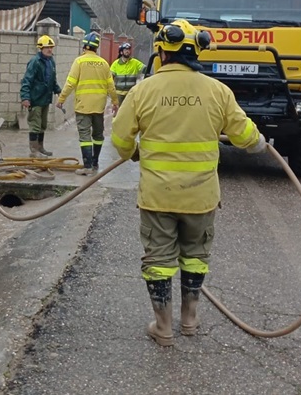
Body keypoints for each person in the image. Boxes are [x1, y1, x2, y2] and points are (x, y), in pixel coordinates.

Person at [110, 19, 267, 346]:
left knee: (159, 261)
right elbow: (245, 135)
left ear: (162, 52)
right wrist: (260, 144)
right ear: (197, 50)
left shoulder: (143, 91)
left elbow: (120, 138)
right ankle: (190, 319)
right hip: (201, 197)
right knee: (195, 255)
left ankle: (163, 327)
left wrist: (134, 153)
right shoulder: (218, 92)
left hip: (158, 197)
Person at [56, 31, 119, 175]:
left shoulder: (79, 62)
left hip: (83, 105)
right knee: (98, 135)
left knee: (84, 135)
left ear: (84, 46)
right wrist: (115, 102)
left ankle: (87, 166)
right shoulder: (104, 63)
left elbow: (70, 83)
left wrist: (61, 99)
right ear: (96, 47)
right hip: (99, 106)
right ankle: (95, 163)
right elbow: (111, 86)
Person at [21, 35, 62, 157]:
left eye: (51, 47)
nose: (50, 49)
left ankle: (40, 147)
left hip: (45, 99)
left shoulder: (51, 61)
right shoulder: (35, 62)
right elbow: (26, 80)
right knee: (35, 124)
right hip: (35, 99)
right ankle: (34, 151)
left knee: (43, 124)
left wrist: (58, 90)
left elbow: (52, 80)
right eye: (47, 47)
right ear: (41, 48)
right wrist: (25, 97)